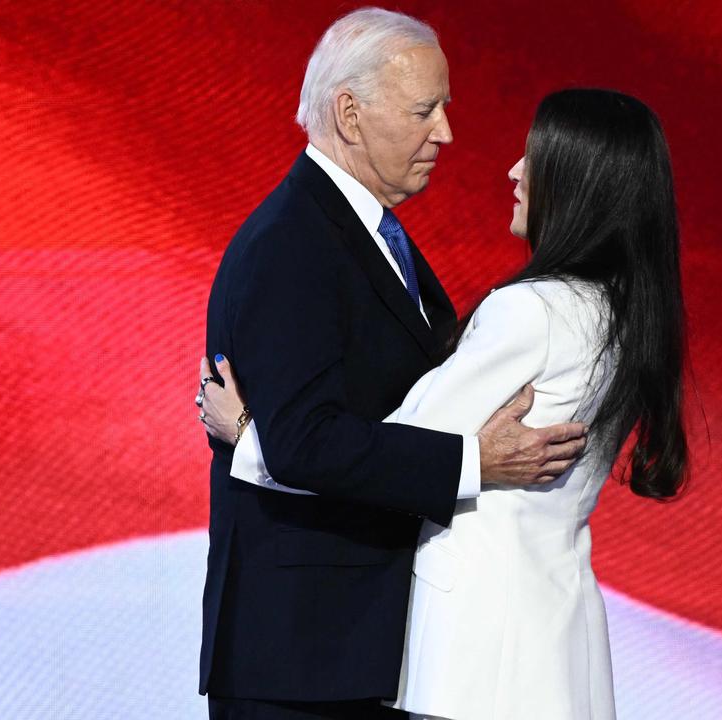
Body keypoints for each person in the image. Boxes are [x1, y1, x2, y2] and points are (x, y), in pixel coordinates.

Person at [201, 88, 690, 719]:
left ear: (579, 184)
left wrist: (250, 439)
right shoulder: (621, 311)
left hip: (481, 651)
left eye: (534, 159)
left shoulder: (532, 311)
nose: (514, 172)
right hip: (556, 639)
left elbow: (392, 450)